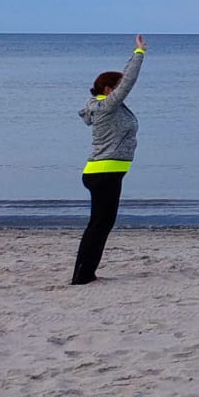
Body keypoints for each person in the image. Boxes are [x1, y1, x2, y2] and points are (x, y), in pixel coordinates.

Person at [72, 35, 146, 285]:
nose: (122, 90)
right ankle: (82, 275)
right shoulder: (107, 107)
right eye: (118, 87)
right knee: (99, 225)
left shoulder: (107, 106)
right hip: (104, 173)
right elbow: (129, 81)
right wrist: (138, 54)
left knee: (101, 224)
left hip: (106, 172)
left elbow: (123, 82)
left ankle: (86, 272)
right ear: (108, 90)